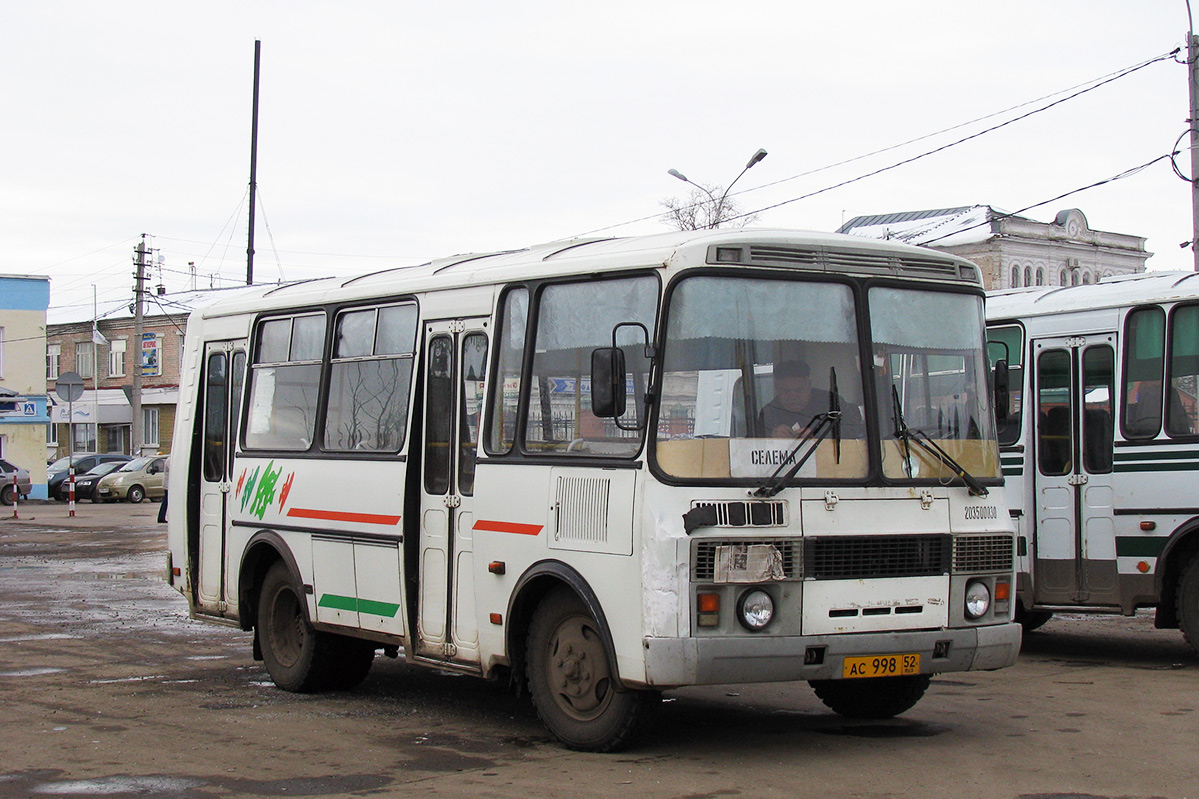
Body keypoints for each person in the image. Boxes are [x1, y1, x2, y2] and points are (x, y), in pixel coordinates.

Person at [757, 360, 862, 438]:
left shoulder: (831, 402)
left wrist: (816, 433)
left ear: (809, 385)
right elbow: (751, 443)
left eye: (799, 391)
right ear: (777, 389)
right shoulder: (769, 412)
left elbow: (854, 431)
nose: (793, 397)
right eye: (786, 391)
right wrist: (770, 435)